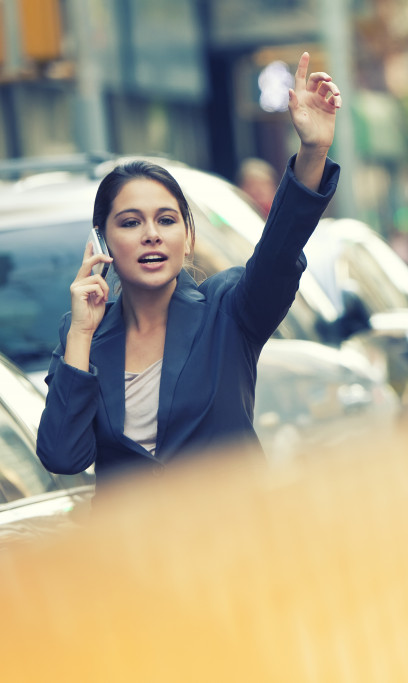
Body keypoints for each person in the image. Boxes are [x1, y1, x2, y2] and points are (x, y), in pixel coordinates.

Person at [36, 52, 342, 490]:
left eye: (165, 220)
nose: (151, 235)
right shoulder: (83, 336)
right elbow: (63, 457)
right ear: (102, 239)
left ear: (187, 236)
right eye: (129, 223)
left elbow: (278, 251)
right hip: (131, 555)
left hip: (232, 547)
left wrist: (312, 151)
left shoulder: (228, 310)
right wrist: (82, 334)